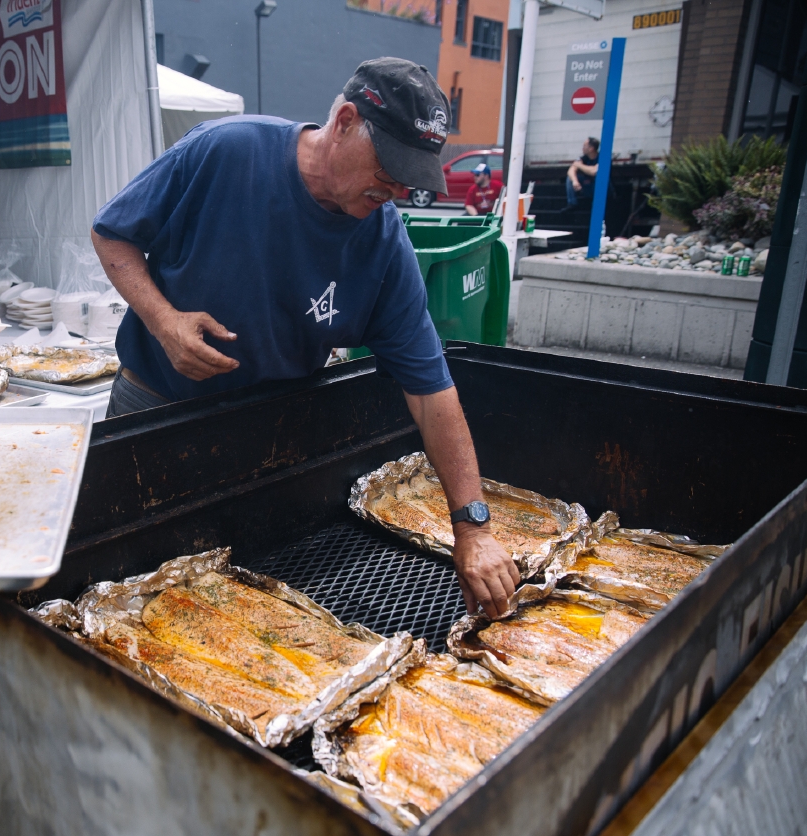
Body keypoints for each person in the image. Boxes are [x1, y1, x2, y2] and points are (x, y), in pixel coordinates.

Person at [91, 57, 520, 618]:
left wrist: (473, 525)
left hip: (267, 436)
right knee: (121, 598)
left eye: (409, 177)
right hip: (153, 409)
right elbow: (111, 233)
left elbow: (431, 391)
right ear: (344, 122)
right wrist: (163, 319)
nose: (394, 190)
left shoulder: (384, 245)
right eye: (387, 167)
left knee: (232, 611)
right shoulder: (226, 151)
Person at [566, 137, 600, 207]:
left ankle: (597, 205)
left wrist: (579, 165)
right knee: (570, 178)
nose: (582, 148)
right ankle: (572, 204)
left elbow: (594, 171)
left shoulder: (601, 157)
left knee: (599, 178)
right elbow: (571, 170)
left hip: (601, 189)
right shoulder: (584, 158)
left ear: (591, 148)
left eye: (584, 146)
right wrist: (575, 181)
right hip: (588, 185)